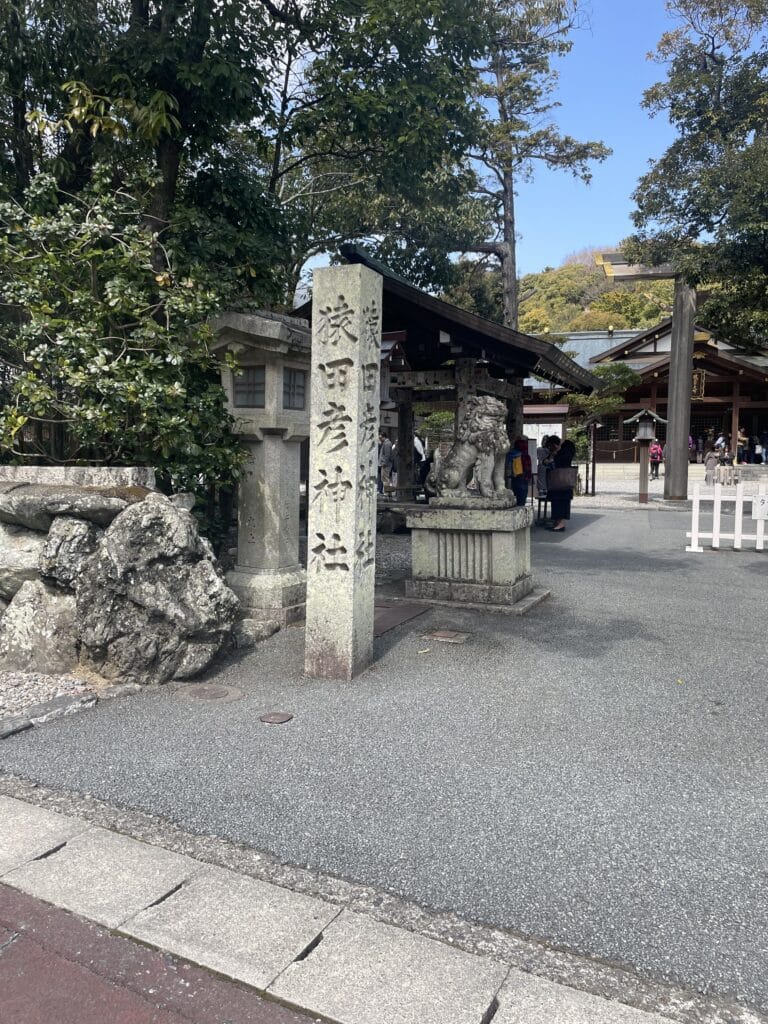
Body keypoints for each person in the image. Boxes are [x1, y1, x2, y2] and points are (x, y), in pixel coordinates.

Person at [547, 438, 576, 532]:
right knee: (558, 502)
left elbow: (559, 462)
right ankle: (557, 522)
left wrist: (553, 457)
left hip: (561, 481)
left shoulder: (565, 450)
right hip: (560, 482)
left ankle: (561, 524)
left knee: (561, 502)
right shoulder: (561, 451)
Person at [378, 431, 392, 496]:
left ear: (384, 437)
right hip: (385, 464)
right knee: (384, 478)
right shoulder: (385, 443)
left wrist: (384, 463)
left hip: (386, 465)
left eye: (380, 438)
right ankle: (388, 492)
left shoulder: (387, 444)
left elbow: (387, 455)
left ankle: (387, 492)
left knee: (385, 479)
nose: (380, 439)